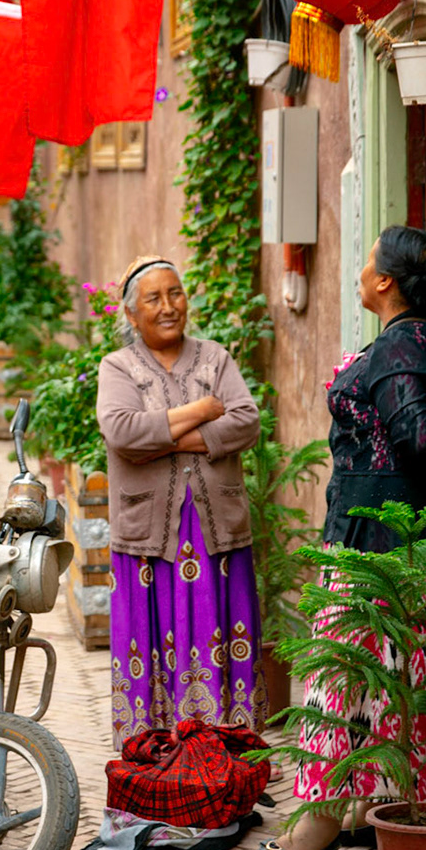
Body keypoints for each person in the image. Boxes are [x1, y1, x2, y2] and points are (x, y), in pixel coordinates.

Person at [255, 225, 426, 850]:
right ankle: (391, 808)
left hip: (378, 547)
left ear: (385, 281)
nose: (360, 267)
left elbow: (420, 439)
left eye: (367, 258)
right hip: (410, 545)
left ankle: (318, 823)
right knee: (409, 685)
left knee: (336, 683)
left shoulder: (403, 345)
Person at [96, 254, 264, 748]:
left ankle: (223, 751)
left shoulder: (215, 357)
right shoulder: (118, 366)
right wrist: (203, 410)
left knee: (220, 632)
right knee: (151, 639)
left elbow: (246, 421)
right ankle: (156, 755)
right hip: (148, 537)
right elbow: (122, 431)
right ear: (132, 315)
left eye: (175, 294)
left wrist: (164, 439)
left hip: (216, 532)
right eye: (154, 298)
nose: (169, 306)